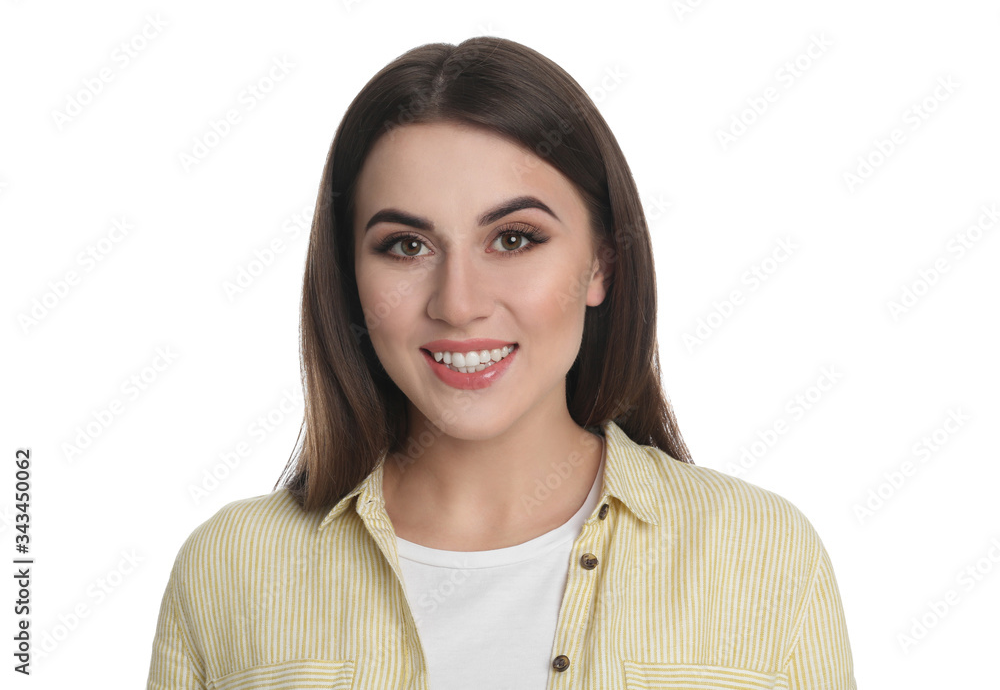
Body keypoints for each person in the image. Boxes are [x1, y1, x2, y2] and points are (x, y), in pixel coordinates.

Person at [146, 37, 857, 689]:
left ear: (601, 262)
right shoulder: (230, 568)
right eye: (405, 245)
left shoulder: (763, 554)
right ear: (351, 278)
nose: (458, 303)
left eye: (514, 238)